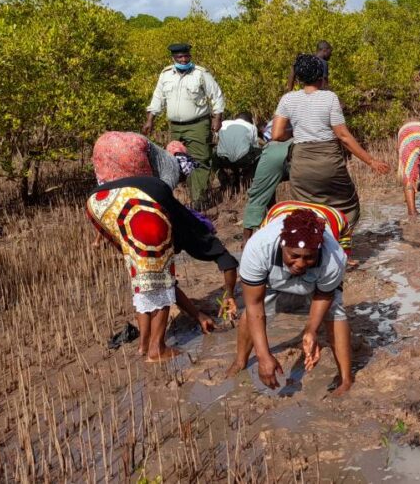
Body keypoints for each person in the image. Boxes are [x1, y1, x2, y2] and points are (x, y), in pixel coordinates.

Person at [87, 176, 238, 360]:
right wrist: (230, 294)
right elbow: (228, 261)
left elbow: (169, 285)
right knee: (160, 282)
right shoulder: (195, 231)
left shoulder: (174, 216)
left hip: (99, 202)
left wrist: (198, 315)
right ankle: (157, 349)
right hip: (137, 199)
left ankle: (143, 345)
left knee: (144, 277)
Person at [225, 208, 353, 395]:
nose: (301, 263)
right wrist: (263, 356)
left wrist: (311, 330)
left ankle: (346, 379)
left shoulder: (334, 258)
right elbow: (255, 306)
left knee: (335, 312)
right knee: (255, 310)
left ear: (318, 251)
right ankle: (240, 361)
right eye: (294, 256)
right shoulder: (258, 249)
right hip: (278, 220)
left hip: (331, 221)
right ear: (282, 246)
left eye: (308, 257)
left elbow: (324, 295)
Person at [271, 54, 389, 255]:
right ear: (321, 76)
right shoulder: (329, 97)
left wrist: (298, 131)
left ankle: (312, 252)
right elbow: (343, 136)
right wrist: (371, 161)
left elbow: (276, 134)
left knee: (306, 212)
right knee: (349, 207)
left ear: (298, 78)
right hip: (328, 163)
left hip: (301, 165)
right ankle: (341, 252)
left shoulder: (287, 99)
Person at [143, 43, 226, 209]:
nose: (183, 59)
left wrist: (218, 118)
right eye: (179, 57)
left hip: (198, 124)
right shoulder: (166, 74)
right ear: (173, 58)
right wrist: (150, 119)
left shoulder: (200, 73)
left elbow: (216, 95)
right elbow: (158, 98)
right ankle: (185, 195)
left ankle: (198, 199)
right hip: (175, 126)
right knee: (176, 161)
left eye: (186, 56)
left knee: (201, 161)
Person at [241, 122, 293, 242]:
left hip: (275, 150)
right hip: (300, 147)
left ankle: (246, 241)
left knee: (258, 196)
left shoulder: (281, 112)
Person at [92, 131, 190, 189]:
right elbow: (161, 197)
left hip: (103, 142)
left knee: (110, 191)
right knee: (142, 193)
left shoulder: (165, 155)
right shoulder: (174, 170)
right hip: (130, 149)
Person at [215, 112, 261, 191]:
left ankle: (225, 178)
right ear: (249, 120)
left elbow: (218, 138)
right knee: (259, 153)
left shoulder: (223, 123)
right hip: (242, 159)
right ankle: (249, 178)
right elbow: (255, 146)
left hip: (222, 159)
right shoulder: (252, 127)